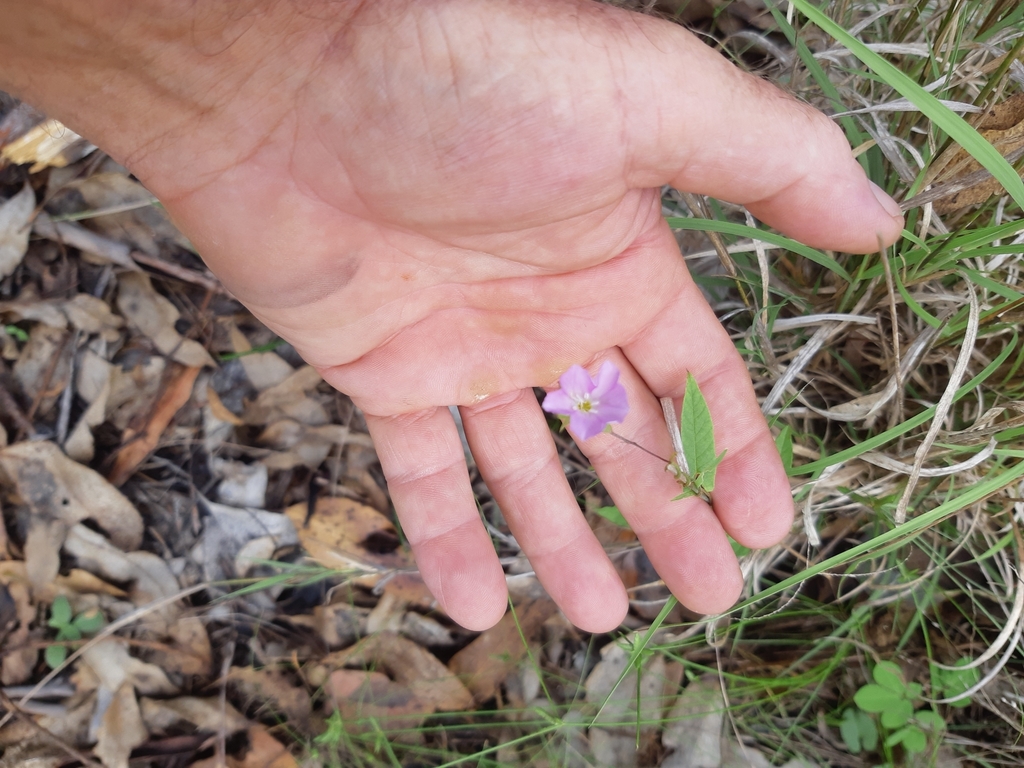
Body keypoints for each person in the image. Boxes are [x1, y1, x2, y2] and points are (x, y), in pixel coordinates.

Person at [0, 0, 903, 632]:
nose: (584, 408)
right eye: (585, 407)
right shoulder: (584, 394)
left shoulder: (592, 398)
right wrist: (271, 68)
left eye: (581, 409)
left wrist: (261, 70)